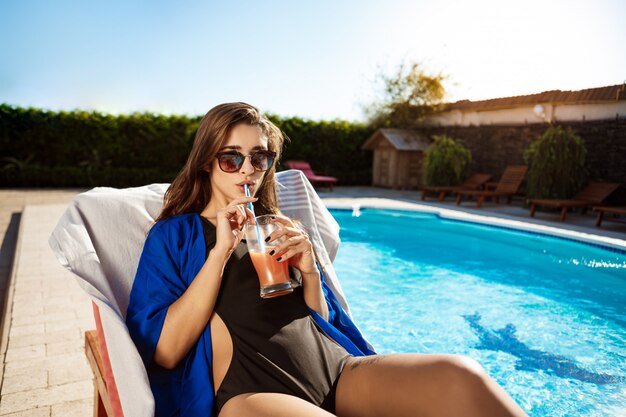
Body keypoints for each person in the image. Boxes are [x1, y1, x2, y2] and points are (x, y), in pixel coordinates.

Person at [126, 102, 528, 417]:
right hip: (252, 392)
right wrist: (219, 254)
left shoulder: (278, 227)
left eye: (260, 158)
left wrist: (311, 272)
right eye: (232, 158)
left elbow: (320, 320)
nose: (248, 169)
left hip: (333, 368)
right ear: (206, 161)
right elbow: (165, 350)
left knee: (460, 378)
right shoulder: (176, 235)